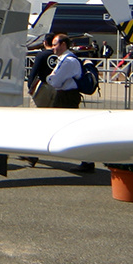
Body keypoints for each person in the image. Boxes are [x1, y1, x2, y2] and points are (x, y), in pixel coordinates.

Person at [38, 35, 95, 173]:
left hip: (66, 97)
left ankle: (88, 160)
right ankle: (34, 155)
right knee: (57, 126)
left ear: (63, 44)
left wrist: (49, 78)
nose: (52, 48)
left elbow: (55, 81)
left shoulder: (68, 61)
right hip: (65, 96)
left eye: (54, 44)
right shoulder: (65, 59)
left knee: (66, 128)